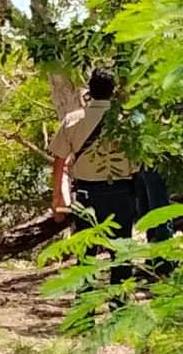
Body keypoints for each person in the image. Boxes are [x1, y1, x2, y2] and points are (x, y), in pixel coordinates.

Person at [50, 68, 138, 285]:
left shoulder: (73, 120)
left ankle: (85, 308)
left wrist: (57, 199)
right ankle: (121, 303)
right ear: (113, 91)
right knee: (122, 251)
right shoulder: (126, 121)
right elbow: (138, 163)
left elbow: (59, 162)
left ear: (89, 90)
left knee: (86, 252)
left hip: (86, 194)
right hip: (121, 191)